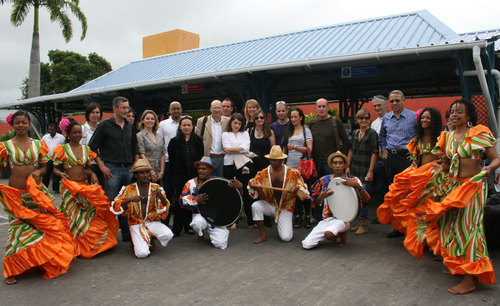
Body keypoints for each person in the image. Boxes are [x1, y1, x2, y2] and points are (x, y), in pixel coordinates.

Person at [409, 100, 499, 294]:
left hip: (473, 188)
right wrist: (440, 167)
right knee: (451, 228)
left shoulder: (478, 134)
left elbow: (496, 158)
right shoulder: (447, 137)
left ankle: (471, 278)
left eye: (460, 111)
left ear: (469, 116)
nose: (455, 114)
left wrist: (489, 168)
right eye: (452, 112)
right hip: (453, 187)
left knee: (469, 231)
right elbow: (448, 163)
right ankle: (460, 266)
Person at [0, 111, 74, 285]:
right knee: (17, 231)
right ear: (13, 124)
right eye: (17, 122)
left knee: (45, 228)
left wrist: (37, 172)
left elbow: (44, 167)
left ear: (28, 124)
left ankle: (46, 259)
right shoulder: (6, 146)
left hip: (37, 194)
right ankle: (13, 268)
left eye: (24, 122)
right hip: (16, 194)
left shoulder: (37, 144)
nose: (21, 125)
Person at [377, 107, 442, 252]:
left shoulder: (441, 137)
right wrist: (414, 162)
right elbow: (416, 156)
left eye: (428, 118)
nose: (424, 120)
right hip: (419, 176)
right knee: (407, 203)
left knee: (431, 210)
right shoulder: (417, 138)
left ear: (434, 120)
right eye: (423, 118)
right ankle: (419, 239)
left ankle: (435, 245)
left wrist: (437, 168)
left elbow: (445, 158)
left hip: (434, 178)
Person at [53, 119, 119, 258]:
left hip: (83, 187)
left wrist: (93, 174)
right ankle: (72, 246)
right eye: (74, 132)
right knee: (72, 217)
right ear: (68, 134)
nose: (77, 135)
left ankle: (86, 244)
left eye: (79, 132)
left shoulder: (86, 150)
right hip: (69, 189)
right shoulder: (62, 149)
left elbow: (87, 168)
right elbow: (55, 168)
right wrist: (60, 174)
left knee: (87, 216)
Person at [89, 96, 140, 242]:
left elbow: (135, 148)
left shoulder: (130, 126)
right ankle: (106, 237)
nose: (126, 110)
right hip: (112, 170)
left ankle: (126, 234)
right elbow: (92, 147)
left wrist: (135, 166)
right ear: (115, 108)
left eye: (127, 108)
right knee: (110, 204)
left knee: (127, 203)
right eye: (123, 108)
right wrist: (101, 165)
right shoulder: (104, 125)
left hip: (128, 170)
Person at [302, 151, 370, 249]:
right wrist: (320, 197)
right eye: (335, 163)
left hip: (344, 220)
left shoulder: (353, 180)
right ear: (331, 165)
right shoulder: (323, 181)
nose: (337, 165)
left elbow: (366, 200)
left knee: (329, 234)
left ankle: (338, 233)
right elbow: (314, 203)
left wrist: (357, 186)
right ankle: (334, 233)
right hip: (326, 220)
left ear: (345, 165)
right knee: (306, 244)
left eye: (340, 163)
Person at [111, 159, 174, 259]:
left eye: (146, 172)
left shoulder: (155, 187)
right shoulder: (128, 189)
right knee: (142, 254)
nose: (145, 175)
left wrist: (160, 196)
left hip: (152, 221)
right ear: (136, 175)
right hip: (136, 223)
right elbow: (116, 205)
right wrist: (130, 199)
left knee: (168, 235)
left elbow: (165, 206)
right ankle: (137, 240)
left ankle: (149, 238)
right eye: (141, 173)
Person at [248, 145, 309, 243]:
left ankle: (283, 223)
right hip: (270, 204)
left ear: (282, 160)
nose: (273, 162)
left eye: (276, 160)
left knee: (286, 238)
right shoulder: (263, 173)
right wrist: (253, 185)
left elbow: (305, 191)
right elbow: (252, 183)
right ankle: (263, 234)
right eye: (271, 159)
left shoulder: (292, 173)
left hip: (285, 207)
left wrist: (297, 189)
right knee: (255, 206)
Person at [180, 157, 243, 249]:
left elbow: (233, 197)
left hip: (217, 217)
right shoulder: (190, 183)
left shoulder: (218, 182)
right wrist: (195, 200)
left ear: (211, 170)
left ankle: (215, 231)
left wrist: (239, 186)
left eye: (204, 169)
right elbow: (181, 201)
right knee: (197, 223)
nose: (200, 171)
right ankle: (200, 234)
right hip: (199, 215)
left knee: (221, 244)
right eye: (199, 169)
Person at [379, 90, 416, 238]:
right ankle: (398, 226)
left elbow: (420, 135)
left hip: (406, 159)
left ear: (403, 101)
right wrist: (383, 150)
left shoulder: (413, 117)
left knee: (408, 193)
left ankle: (410, 227)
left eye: (397, 100)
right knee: (393, 193)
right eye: (392, 101)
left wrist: (416, 153)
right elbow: (382, 136)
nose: (394, 103)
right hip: (391, 158)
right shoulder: (386, 118)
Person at [168, 116, 204, 236]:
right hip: (179, 175)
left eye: (189, 125)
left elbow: (200, 157)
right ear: (180, 127)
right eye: (184, 125)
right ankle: (177, 227)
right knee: (179, 200)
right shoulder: (174, 142)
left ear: (192, 126)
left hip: (193, 175)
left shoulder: (198, 141)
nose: (187, 127)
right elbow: (172, 160)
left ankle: (189, 226)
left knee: (191, 199)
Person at [346, 109, 379, 235]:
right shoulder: (355, 133)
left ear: (369, 119)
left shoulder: (372, 134)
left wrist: (370, 171)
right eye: (361, 118)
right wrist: (347, 166)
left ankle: (364, 224)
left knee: (363, 197)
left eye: (366, 118)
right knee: (355, 197)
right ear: (357, 120)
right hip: (355, 168)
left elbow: (374, 153)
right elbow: (351, 150)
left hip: (366, 169)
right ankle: (359, 222)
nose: (364, 120)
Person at [281, 108, 313, 228]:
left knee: (305, 191)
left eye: (296, 117)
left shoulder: (306, 131)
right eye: (292, 117)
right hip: (290, 165)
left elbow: (309, 149)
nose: (293, 119)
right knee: (294, 192)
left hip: (303, 166)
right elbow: (284, 149)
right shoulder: (288, 130)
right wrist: (282, 163)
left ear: (301, 117)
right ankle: (297, 215)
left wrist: (295, 148)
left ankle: (308, 216)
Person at [222, 113, 254, 228]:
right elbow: (226, 149)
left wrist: (232, 149)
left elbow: (246, 148)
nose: (237, 125)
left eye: (240, 123)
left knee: (246, 190)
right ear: (231, 122)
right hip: (229, 164)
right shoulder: (225, 134)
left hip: (243, 163)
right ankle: (233, 221)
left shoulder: (245, 133)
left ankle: (250, 221)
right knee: (231, 192)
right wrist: (239, 149)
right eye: (235, 123)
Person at [309, 98, 350, 178]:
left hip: (332, 164)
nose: (321, 109)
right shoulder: (312, 123)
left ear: (328, 108)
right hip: (315, 163)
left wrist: (342, 159)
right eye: (319, 106)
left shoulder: (335, 121)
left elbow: (346, 141)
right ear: (316, 109)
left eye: (324, 106)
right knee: (318, 187)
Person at [157, 101, 183, 219]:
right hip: (168, 162)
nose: (176, 111)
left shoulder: (185, 123)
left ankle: (181, 221)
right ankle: (165, 219)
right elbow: (159, 141)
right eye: (173, 109)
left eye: (178, 108)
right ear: (169, 110)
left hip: (182, 163)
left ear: (181, 110)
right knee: (168, 191)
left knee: (182, 192)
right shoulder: (163, 124)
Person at [195, 100, 230, 177]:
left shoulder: (228, 121)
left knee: (221, 181)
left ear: (222, 109)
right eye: (214, 108)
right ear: (210, 109)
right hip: (207, 157)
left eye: (219, 108)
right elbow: (197, 139)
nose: (217, 110)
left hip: (223, 158)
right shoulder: (202, 121)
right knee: (207, 182)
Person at [370, 95, 389, 224]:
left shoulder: (391, 119)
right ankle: (383, 215)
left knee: (392, 188)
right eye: (375, 106)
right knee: (380, 189)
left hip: (391, 159)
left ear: (385, 105)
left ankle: (395, 215)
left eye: (379, 105)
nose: (377, 108)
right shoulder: (374, 123)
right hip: (378, 160)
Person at [137, 110, 165, 185]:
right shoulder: (140, 136)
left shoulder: (159, 136)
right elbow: (142, 155)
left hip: (158, 171)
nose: (150, 121)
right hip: (146, 171)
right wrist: (151, 172)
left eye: (152, 119)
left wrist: (162, 172)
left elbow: (163, 154)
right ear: (143, 120)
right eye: (147, 119)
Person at [81, 102, 104, 184]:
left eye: (97, 112)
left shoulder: (103, 127)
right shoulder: (82, 129)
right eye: (92, 112)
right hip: (89, 164)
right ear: (88, 114)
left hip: (103, 164)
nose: (95, 115)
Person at [41, 123, 65, 193]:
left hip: (57, 159)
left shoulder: (61, 137)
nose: (51, 130)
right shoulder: (45, 137)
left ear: (56, 129)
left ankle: (56, 189)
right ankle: (44, 188)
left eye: (52, 129)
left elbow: (63, 148)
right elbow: (42, 147)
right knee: (46, 174)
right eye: (50, 129)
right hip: (48, 159)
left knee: (56, 175)